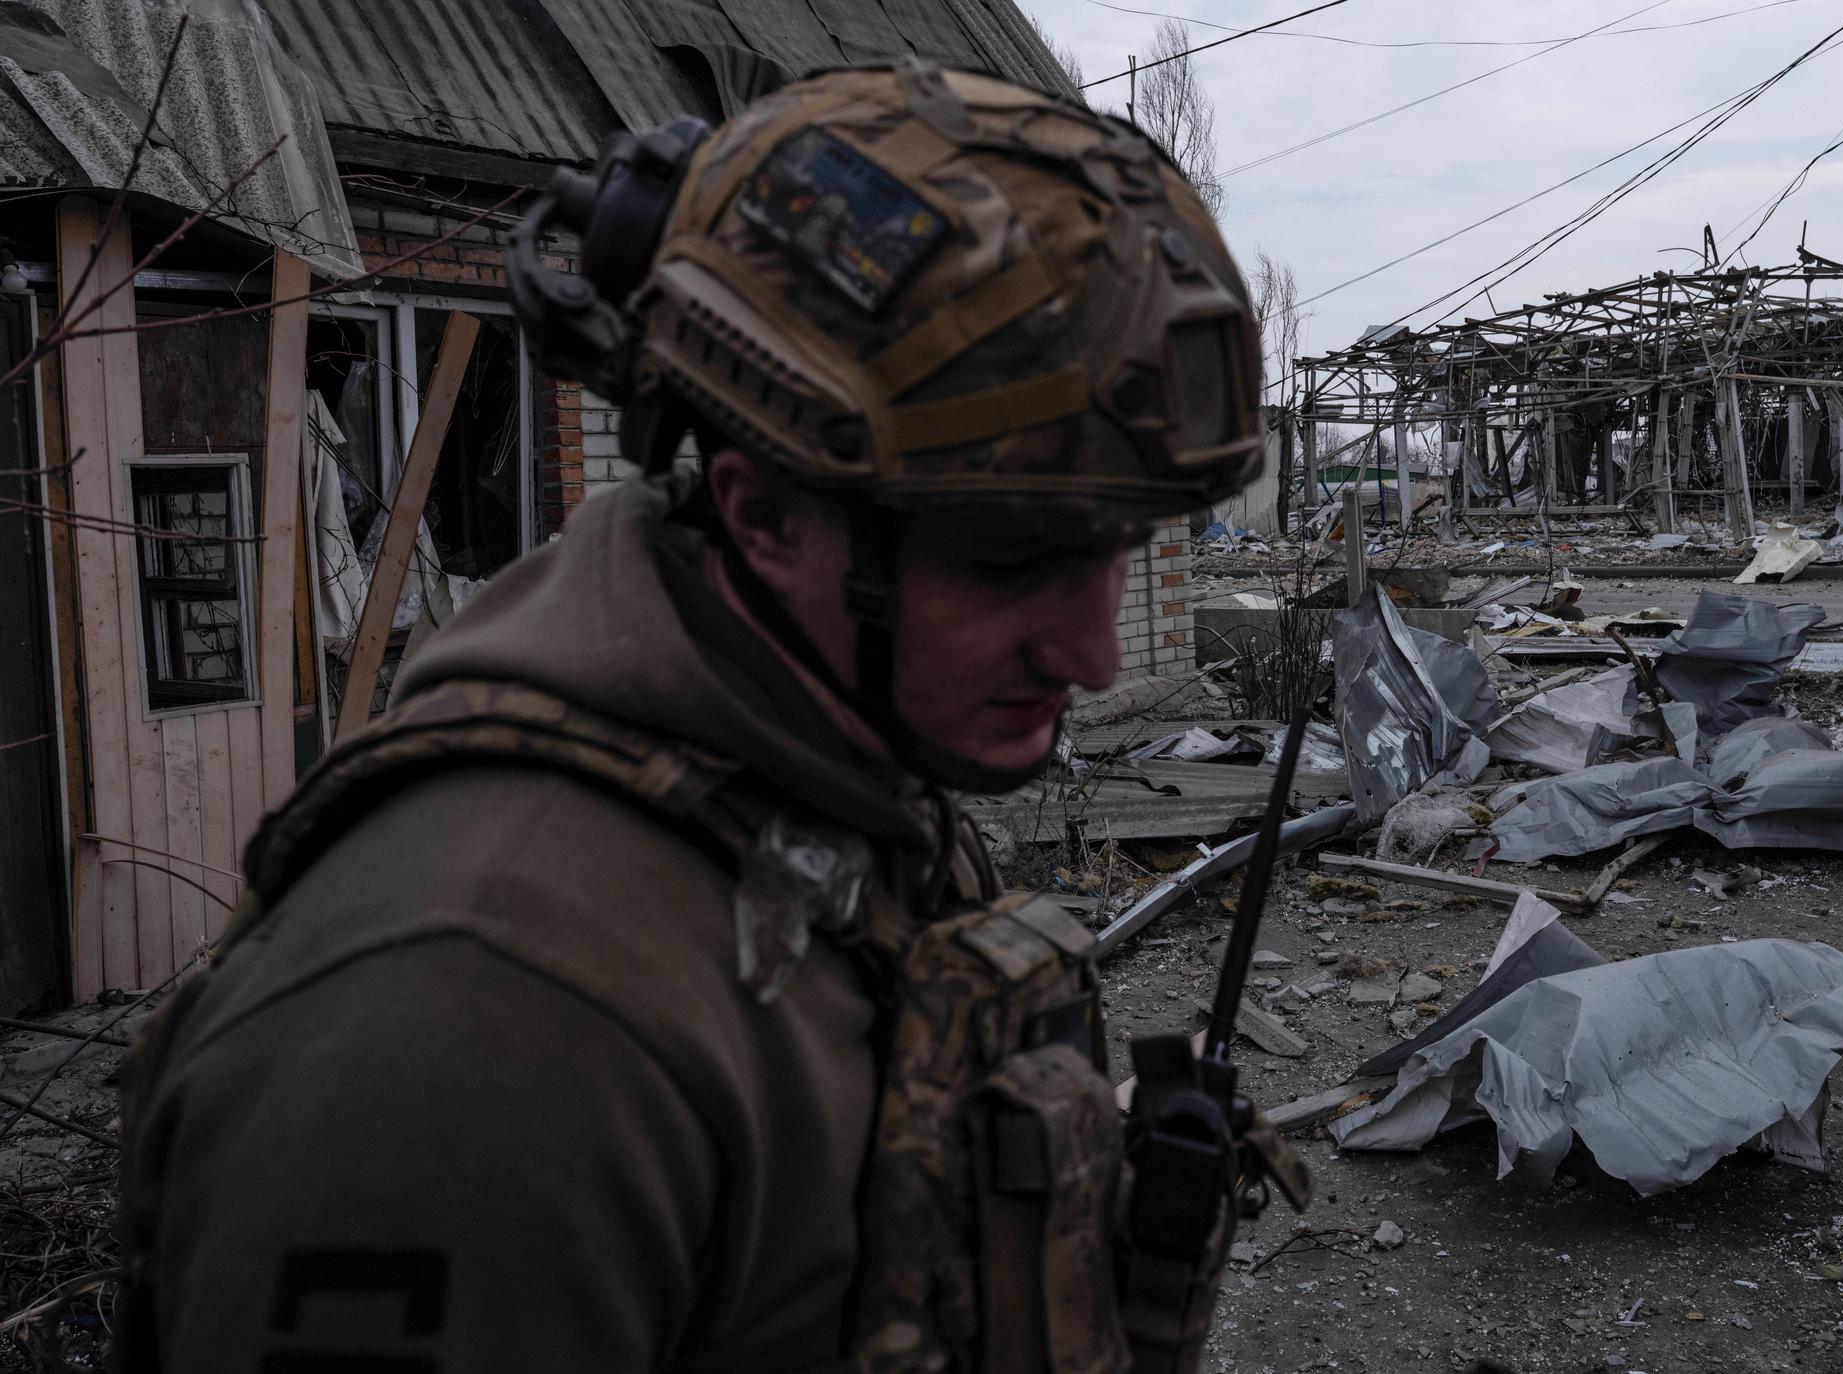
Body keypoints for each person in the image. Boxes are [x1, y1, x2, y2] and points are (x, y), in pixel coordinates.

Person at [112, 63, 1296, 1372]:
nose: (1087, 650)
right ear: (764, 512)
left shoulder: (814, 768)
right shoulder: (465, 1024)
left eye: (1119, 548)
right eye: (1013, 558)